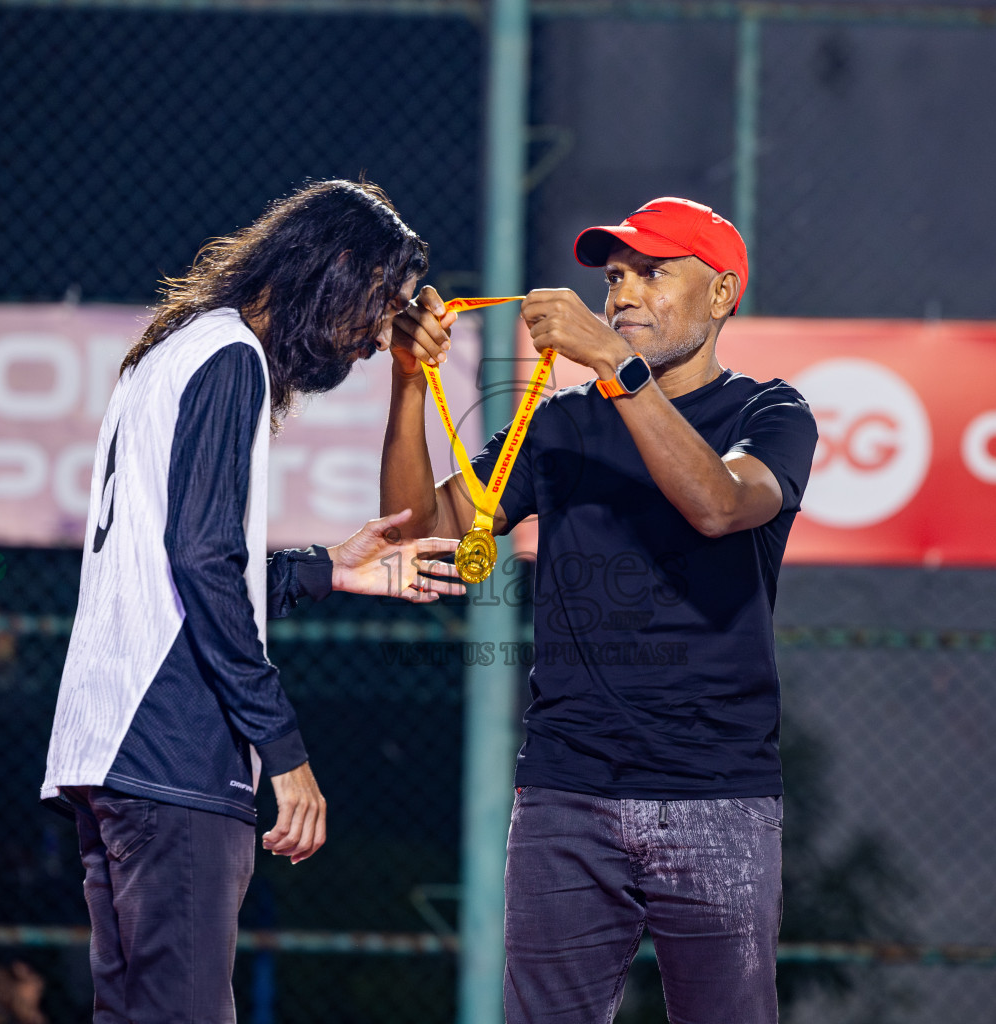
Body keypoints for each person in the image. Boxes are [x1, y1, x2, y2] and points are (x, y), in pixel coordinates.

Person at [384, 197, 819, 1021]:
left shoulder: (770, 412)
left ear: (722, 294)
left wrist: (615, 369)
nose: (623, 293)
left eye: (654, 273)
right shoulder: (559, 424)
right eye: (617, 275)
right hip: (565, 792)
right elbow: (413, 530)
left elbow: (721, 503)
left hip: (717, 794)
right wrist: (410, 384)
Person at [40, 180, 462, 1023]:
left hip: (109, 750)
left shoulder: (171, 350)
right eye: (376, 306)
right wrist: (286, 753)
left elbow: (176, 561)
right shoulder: (229, 355)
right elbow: (202, 563)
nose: (376, 341)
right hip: (172, 755)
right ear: (335, 265)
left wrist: (327, 569)